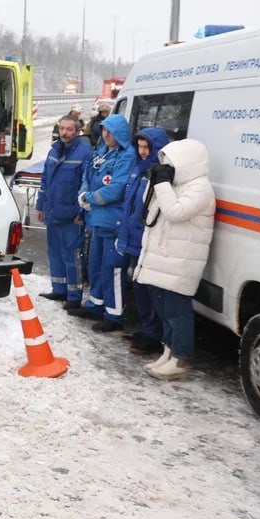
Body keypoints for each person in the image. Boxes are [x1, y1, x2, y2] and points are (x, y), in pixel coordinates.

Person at [134, 138, 216, 381]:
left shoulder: (200, 188)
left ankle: (180, 359)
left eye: (170, 163)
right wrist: (155, 182)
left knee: (177, 312)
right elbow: (149, 209)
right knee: (163, 308)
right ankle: (168, 352)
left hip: (181, 262)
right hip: (165, 258)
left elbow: (175, 212)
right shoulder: (176, 184)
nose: (166, 168)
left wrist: (162, 184)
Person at [69, 114, 135, 332]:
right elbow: (88, 177)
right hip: (96, 219)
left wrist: (89, 198)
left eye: (110, 131)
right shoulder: (102, 152)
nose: (106, 135)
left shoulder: (126, 156)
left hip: (113, 221)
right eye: (104, 130)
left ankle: (114, 314)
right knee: (95, 264)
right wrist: (83, 195)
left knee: (112, 268)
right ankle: (95, 304)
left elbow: (117, 188)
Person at [114, 127, 171, 355]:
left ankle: (153, 334)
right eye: (140, 146)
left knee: (149, 291)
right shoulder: (139, 170)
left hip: (146, 240)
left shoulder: (160, 174)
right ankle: (146, 330)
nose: (143, 151)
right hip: (134, 238)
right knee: (138, 289)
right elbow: (130, 205)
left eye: (147, 147)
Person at [36, 114, 93, 308]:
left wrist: (81, 212)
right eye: (62, 129)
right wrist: (40, 205)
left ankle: (74, 295)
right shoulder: (54, 150)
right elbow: (45, 180)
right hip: (53, 211)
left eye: (69, 129)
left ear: (77, 131)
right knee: (55, 253)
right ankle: (59, 289)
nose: (65, 133)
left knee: (72, 256)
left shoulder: (85, 153)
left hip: (71, 215)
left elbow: (86, 184)